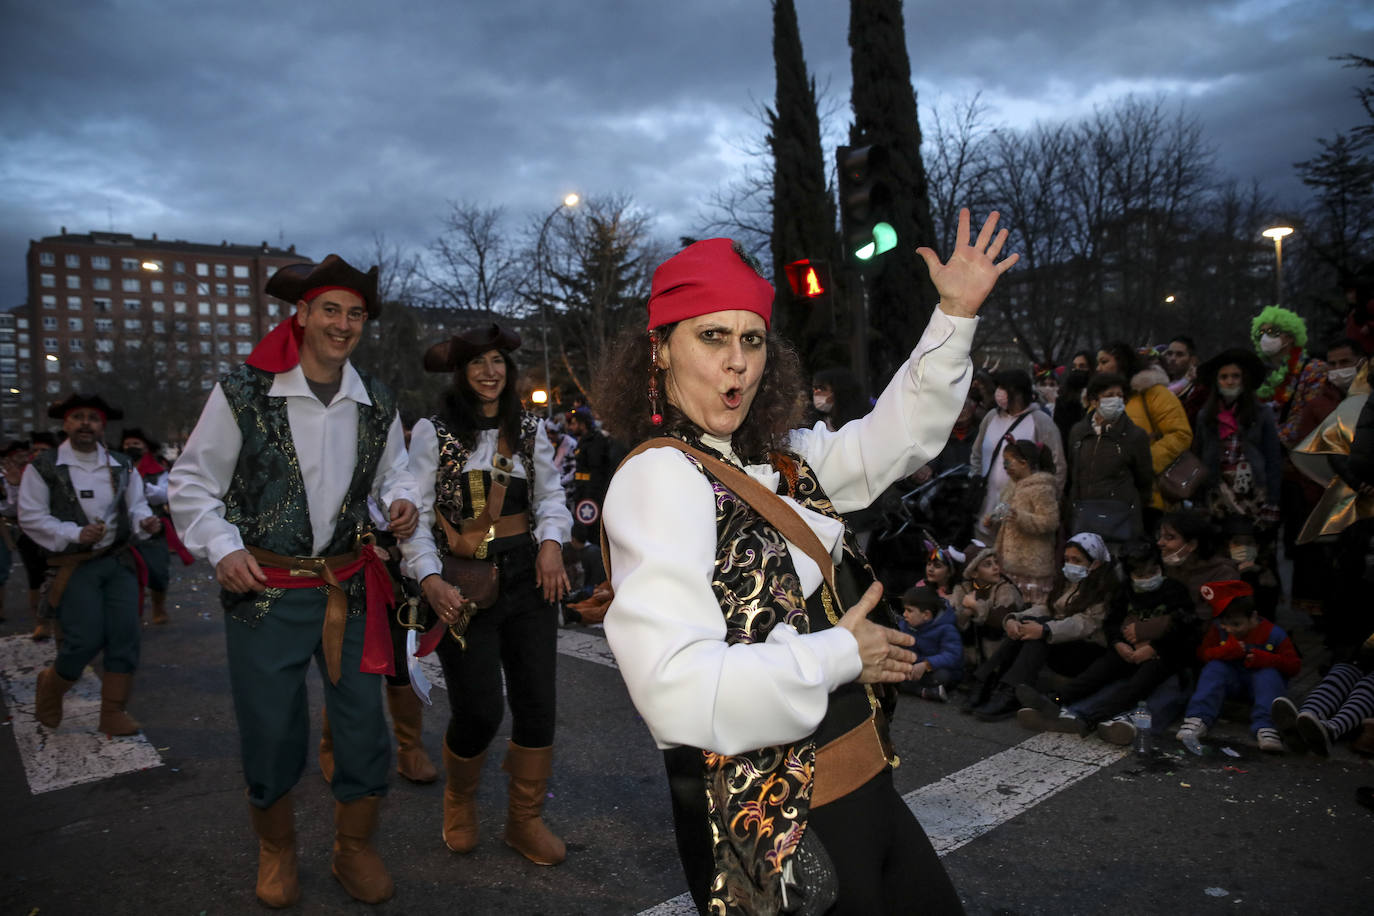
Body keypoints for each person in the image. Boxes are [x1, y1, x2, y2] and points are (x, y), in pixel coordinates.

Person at [598, 209, 1015, 915]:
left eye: (753, 340)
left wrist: (953, 317)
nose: (738, 361)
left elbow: (893, 439)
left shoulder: (778, 459)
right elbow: (674, 690)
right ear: (660, 351)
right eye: (713, 338)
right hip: (778, 821)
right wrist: (836, 655)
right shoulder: (659, 478)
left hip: (865, 785)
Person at [169, 254, 420, 907]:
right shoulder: (243, 392)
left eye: (355, 313)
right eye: (330, 310)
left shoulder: (379, 402)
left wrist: (400, 499)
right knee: (272, 728)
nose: (342, 324)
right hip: (265, 592)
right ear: (302, 315)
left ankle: (353, 848)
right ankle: (277, 848)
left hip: (348, 587)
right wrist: (221, 546)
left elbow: (394, 472)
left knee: (364, 726)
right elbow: (192, 483)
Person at [404, 323, 573, 866]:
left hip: (529, 577)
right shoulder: (433, 431)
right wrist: (429, 579)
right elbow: (419, 516)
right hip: (463, 584)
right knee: (478, 711)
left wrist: (551, 545)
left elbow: (552, 498)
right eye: (478, 362)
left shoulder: (529, 428)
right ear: (462, 371)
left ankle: (524, 821)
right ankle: (460, 797)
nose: (490, 371)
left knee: (537, 706)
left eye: (498, 360)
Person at [23, 394, 161, 736]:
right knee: (83, 639)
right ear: (66, 424)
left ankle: (112, 711)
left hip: (117, 561)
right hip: (75, 565)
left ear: (102, 426)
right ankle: (52, 684)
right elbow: (31, 516)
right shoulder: (44, 467)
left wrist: (145, 522)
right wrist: (73, 532)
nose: (86, 423)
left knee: (125, 635)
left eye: (93, 418)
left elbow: (138, 505)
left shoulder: (121, 464)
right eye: (78, 417)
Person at [1015, 547, 1196, 744]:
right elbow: (1113, 622)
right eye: (1140, 574)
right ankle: (1055, 700)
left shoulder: (1174, 591)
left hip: (1161, 656)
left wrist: (1155, 648)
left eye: (1152, 573)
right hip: (1126, 650)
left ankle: (1091, 718)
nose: (1147, 578)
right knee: (1096, 674)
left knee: (1135, 686)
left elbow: (1183, 628)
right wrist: (1118, 643)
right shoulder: (1126, 592)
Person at [967, 533, 1116, 722]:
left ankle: (1010, 693)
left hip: (1086, 651)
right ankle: (988, 681)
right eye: (1067, 559)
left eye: (1076, 560)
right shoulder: (1068, 582)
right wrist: (1014, 619)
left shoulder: (1103, 590)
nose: (1070, 564)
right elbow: (1046, 606)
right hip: (1062, 642)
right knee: (1030, 622)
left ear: (1095, 564)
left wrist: (1046, 630)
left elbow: (1083, 624)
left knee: (1040, 631)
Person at [1175, 579, 1299, 753]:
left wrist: (1266, 659)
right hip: (1232, 681)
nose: (1230, 629)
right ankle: (1198, 718)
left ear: (1253, 617)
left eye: (1236, 624)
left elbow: (1294, 666)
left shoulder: (1274, 634)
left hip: (1261, 686)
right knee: (1214, 668)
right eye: (1225, 624)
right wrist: (1224, 651)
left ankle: (1267, 728)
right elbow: (1203, 654)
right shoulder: (1219, 630)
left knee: (1268, 675)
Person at [968, 368, 1065, 542]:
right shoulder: (991, 417)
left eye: (1005, 388)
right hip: (985, 512)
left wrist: (1045, 500)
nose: (999, 393)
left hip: (1020, 515)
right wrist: (975, 476)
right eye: (998, 387)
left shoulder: (1041, 421)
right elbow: (977, 453)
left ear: (1019, 393)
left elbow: (1057, 465)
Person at [1191, 348, 1283, 531]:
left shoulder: (1262, 413)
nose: (1230, 381)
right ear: (1217, 382)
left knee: (1250, 547)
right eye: (1224, 377)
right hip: (1216, 490)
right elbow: (1198, 456)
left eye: (1235, 376)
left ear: (1244, 380)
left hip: (1253, 491)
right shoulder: (1205, 416)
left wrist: (1273, 500)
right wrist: (1198, 498)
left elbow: (1273, 459)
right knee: (1221, 548)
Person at [1097, 340, 1192, 512]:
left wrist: (1145, 464)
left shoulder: (1153, 393)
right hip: (1106, 498)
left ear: (1122, 362)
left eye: (1104, 362)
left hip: (1149, 498)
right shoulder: (1096, 401)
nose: (1098, 368)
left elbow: (1180, 434)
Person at [1066, 373, 1154, 553]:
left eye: (1120, 396)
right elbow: (1073, 473)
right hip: (1084, 517)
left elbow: (1144, 480)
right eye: (1109, 395)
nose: (1116, 400)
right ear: (1094, 401)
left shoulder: (1135, 436)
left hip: (1120, 520)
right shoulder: (1078, 432)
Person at [120, 427, 183, 625]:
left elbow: (166, 494)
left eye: (136, 444)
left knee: (157, 571)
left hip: (153, 529)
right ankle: (132, 611)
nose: (131, 447)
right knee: (128, 575)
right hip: (124, 532)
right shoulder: (116, 467)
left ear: (146, 447)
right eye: (128, 444)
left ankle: (158, 607)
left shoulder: (158, 470)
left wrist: (141, 487)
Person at [988, 439, 1059, 604]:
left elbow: (1050, 521)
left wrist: (1020, 517)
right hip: (1009, 563)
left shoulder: (1042, 488)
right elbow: (1004, 509)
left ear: (1023, 462)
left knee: (1029, 610)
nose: (1005, 467)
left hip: (1031, 568)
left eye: (1008, 462)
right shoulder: (1013, 486)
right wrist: (992, 519)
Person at [952, 545, 1025, 697]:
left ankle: (992, 676)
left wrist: (976, 606)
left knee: (990, 626)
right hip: (971, 652)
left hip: (998, 651)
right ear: (973, 572)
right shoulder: (963, 589)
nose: (995, 568)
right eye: (987, 564)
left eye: (995, 562)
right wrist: (966, 612)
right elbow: (955, 621)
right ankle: (969, 669)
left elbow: (1002, 619)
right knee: (966, 624)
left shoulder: (1004, 588)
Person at [897, 585, 963, 701]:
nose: (904, 614)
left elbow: (953, 655)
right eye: (905, 610)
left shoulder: (946, 629)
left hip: (933, 669)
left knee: (942, 676)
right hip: (913, 668)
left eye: (909, 611)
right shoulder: (905, 624)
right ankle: (925, 692)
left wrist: (926, 664)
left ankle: (924, 689)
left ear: (926, 615)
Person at [1162, 335, 1209, 426]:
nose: (1172, 359)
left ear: (1192, 360)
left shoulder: (1198, 390)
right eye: (1169, 353)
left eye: (1179, 354)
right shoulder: (1159, 382)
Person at [810, 366, 870, 431]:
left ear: (840, 392)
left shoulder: (862, 424)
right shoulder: (818, 425)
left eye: (822, 388)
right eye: (814, 389)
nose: (816, 393)